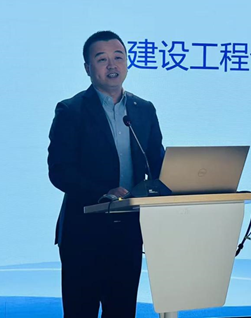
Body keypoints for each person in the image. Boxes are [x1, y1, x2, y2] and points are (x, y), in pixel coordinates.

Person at [48, 30, 165, 318]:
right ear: (87, 68)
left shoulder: (143, 110)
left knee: (122, 311)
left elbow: (157, 163)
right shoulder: (71, 111)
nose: (112, 65)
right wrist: (103, 192)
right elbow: (60, 171)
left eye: (118, 57)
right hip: (84, 232)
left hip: (128, 231)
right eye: (102, 59)